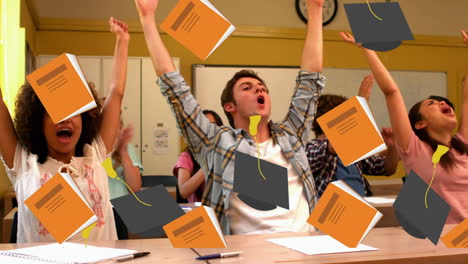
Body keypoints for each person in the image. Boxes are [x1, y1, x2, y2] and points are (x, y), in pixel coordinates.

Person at [134, 0, 325, 235]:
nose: (259, 90)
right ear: (230, 106)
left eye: (262, 87)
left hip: (304, 248)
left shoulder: (290, 135)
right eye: (247, 87)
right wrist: (147, 19)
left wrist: (316, 10)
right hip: (246, 253)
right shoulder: (218, 141)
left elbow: (310, 81)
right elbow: (175, 89)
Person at [0, 17, 129, 242]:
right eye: (54, 113)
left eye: (73, 113)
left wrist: (123, 40)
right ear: (37, 122)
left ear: (85, 119)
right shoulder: (24, 165)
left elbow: (116, 92)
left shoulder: (94, 155)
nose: (65, 120)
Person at [338, 29, 468, 224]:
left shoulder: (462, 142)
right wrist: (367, 49)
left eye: (442, 103)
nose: (442, 103)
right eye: (432, 104)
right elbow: (391, 92)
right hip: (442, 244)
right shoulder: (414, 149)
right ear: (420, 123)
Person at [306, 75, 399, 198]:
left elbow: (387, 169)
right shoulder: (310, 147)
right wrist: (360, 106)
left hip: (359, 210)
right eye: (346, 117)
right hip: (331, 214)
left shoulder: (352, 151)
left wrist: (393, 146)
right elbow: (334, 146)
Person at [173, 110, 223, 203]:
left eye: (213, 125)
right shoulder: (186, 157)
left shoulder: (227, 152)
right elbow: (184, 192)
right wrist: (207, 164)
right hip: (199, 211)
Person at [109, 122, 143, 240]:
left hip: (119, 210)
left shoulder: (127, 148)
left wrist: (122, 150)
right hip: (96, 210)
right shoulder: (88, 147)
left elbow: (135, 187)